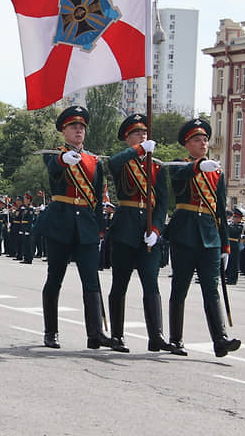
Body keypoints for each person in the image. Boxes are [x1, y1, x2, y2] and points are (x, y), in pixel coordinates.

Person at [35, 106, 111, 349]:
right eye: (73, 127)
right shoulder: (53, 155)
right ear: (64, 131)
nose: (79, 130)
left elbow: (98, 199)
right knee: (54, 278)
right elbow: (53, 169)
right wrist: (62, 159)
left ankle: (95, 333)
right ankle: (51, 331)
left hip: (86, 226)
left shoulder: (94, 161)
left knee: (91, 281)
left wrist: (100, 229)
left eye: (82, 127)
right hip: (60, 223)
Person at [165, 118, 240, 358]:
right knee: (180, 287)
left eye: (205, 139)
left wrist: (226, 244)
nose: (203, 143)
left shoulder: (216, 172)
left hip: (210, 235)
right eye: (197, 139)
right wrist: (198, 167)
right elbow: (179, 177)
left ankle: (220, 339)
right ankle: (175, 339)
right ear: (187, 144)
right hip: (185, 232)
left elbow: (220, 209)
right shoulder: (179, 164)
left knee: (212, 288)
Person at [107, 114, 171, 353]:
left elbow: (163, 202)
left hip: (148, 229)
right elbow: (112, 164)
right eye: (136, 134)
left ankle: (156, 336)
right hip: (125, 227)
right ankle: (117, 336)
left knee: (151, 284)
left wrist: (156, 229)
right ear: (127, 139)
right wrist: (137, 150)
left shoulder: (156, 166)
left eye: (145, 133)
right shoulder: (124, 162)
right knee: (120, 283)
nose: (142, 137)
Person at [225, 208, 244, 285]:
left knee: (234, 263)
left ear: (240, 218)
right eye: (234, 217)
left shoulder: (240, 226)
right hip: (229, 244)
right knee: (229, 262)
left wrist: (228, 225)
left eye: (236, 217)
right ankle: (229, 277)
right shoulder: (231, 224)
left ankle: (233, 279)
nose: (234, 219)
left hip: (235, 245)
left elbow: (234, 232)